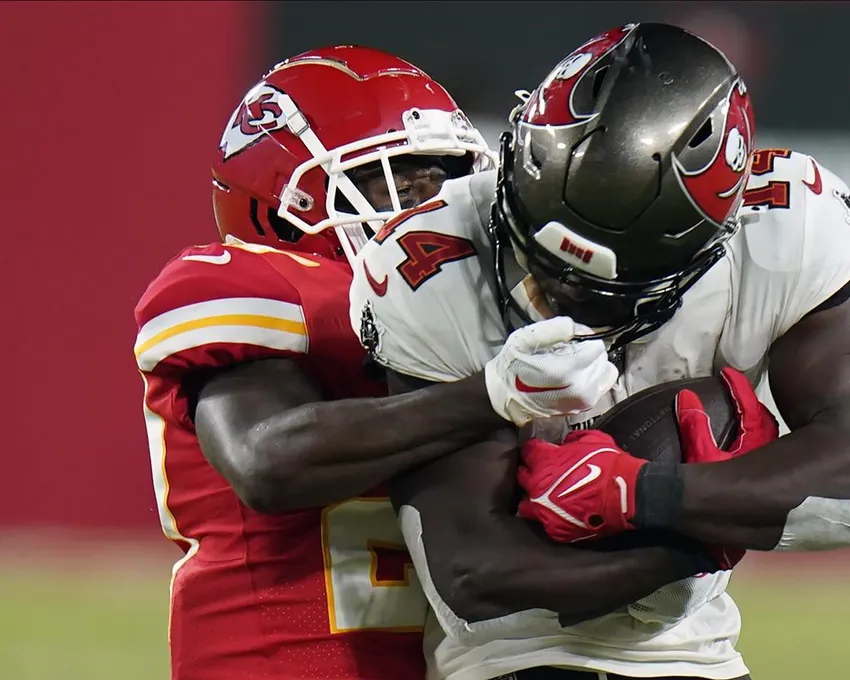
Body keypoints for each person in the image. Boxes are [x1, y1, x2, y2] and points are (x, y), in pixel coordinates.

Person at [349, 21, 850, 680]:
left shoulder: (788, 229)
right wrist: (687, 538)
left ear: (709, 247)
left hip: (699, 655)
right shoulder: (431, 261)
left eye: (592, 288)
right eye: (534, 250)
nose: (548, 291)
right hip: (511, 657)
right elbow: (469, 572)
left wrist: (648, 495)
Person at [133, 45, 514, 680]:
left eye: (446, 181)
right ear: (287, 200)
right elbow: (268, 463)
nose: (433, 208)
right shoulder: (262, 287)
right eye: (400, 181)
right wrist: (494, 394)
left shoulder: (476, 307)